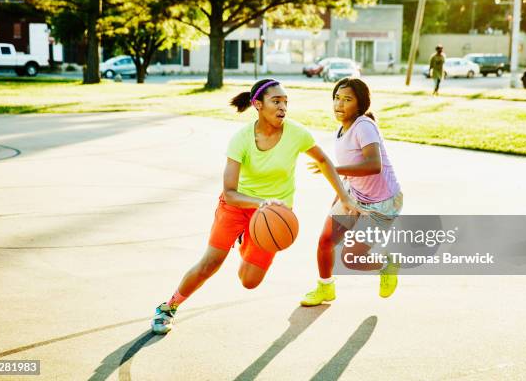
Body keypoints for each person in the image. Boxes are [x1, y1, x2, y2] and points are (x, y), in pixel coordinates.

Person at [152, 78, 363, 334]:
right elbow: (229, 193)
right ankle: (168, 307)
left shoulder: (296, 133)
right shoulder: (241, 139)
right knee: (211, 263)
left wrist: (344, 196)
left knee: (249, 282)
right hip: (238, 206)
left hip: (273, 216)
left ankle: (248, 239)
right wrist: (260, 203)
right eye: (276, 101)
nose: (283, 107)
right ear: (257, 105)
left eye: (285, 102)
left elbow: (323, 161)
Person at [300, 77, 404, 307]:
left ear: (360, 104)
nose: (339, 104)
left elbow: (373, 165)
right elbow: (350, 174)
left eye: (347, 99)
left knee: (351, 258)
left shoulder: (364, 126)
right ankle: (325, 288)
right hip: (355, 194)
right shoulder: (342, 129)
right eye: (337, 98)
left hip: (382, 202)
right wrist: (340, 197)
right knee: (326, 241)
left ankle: (386, 264)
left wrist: (331, 169)